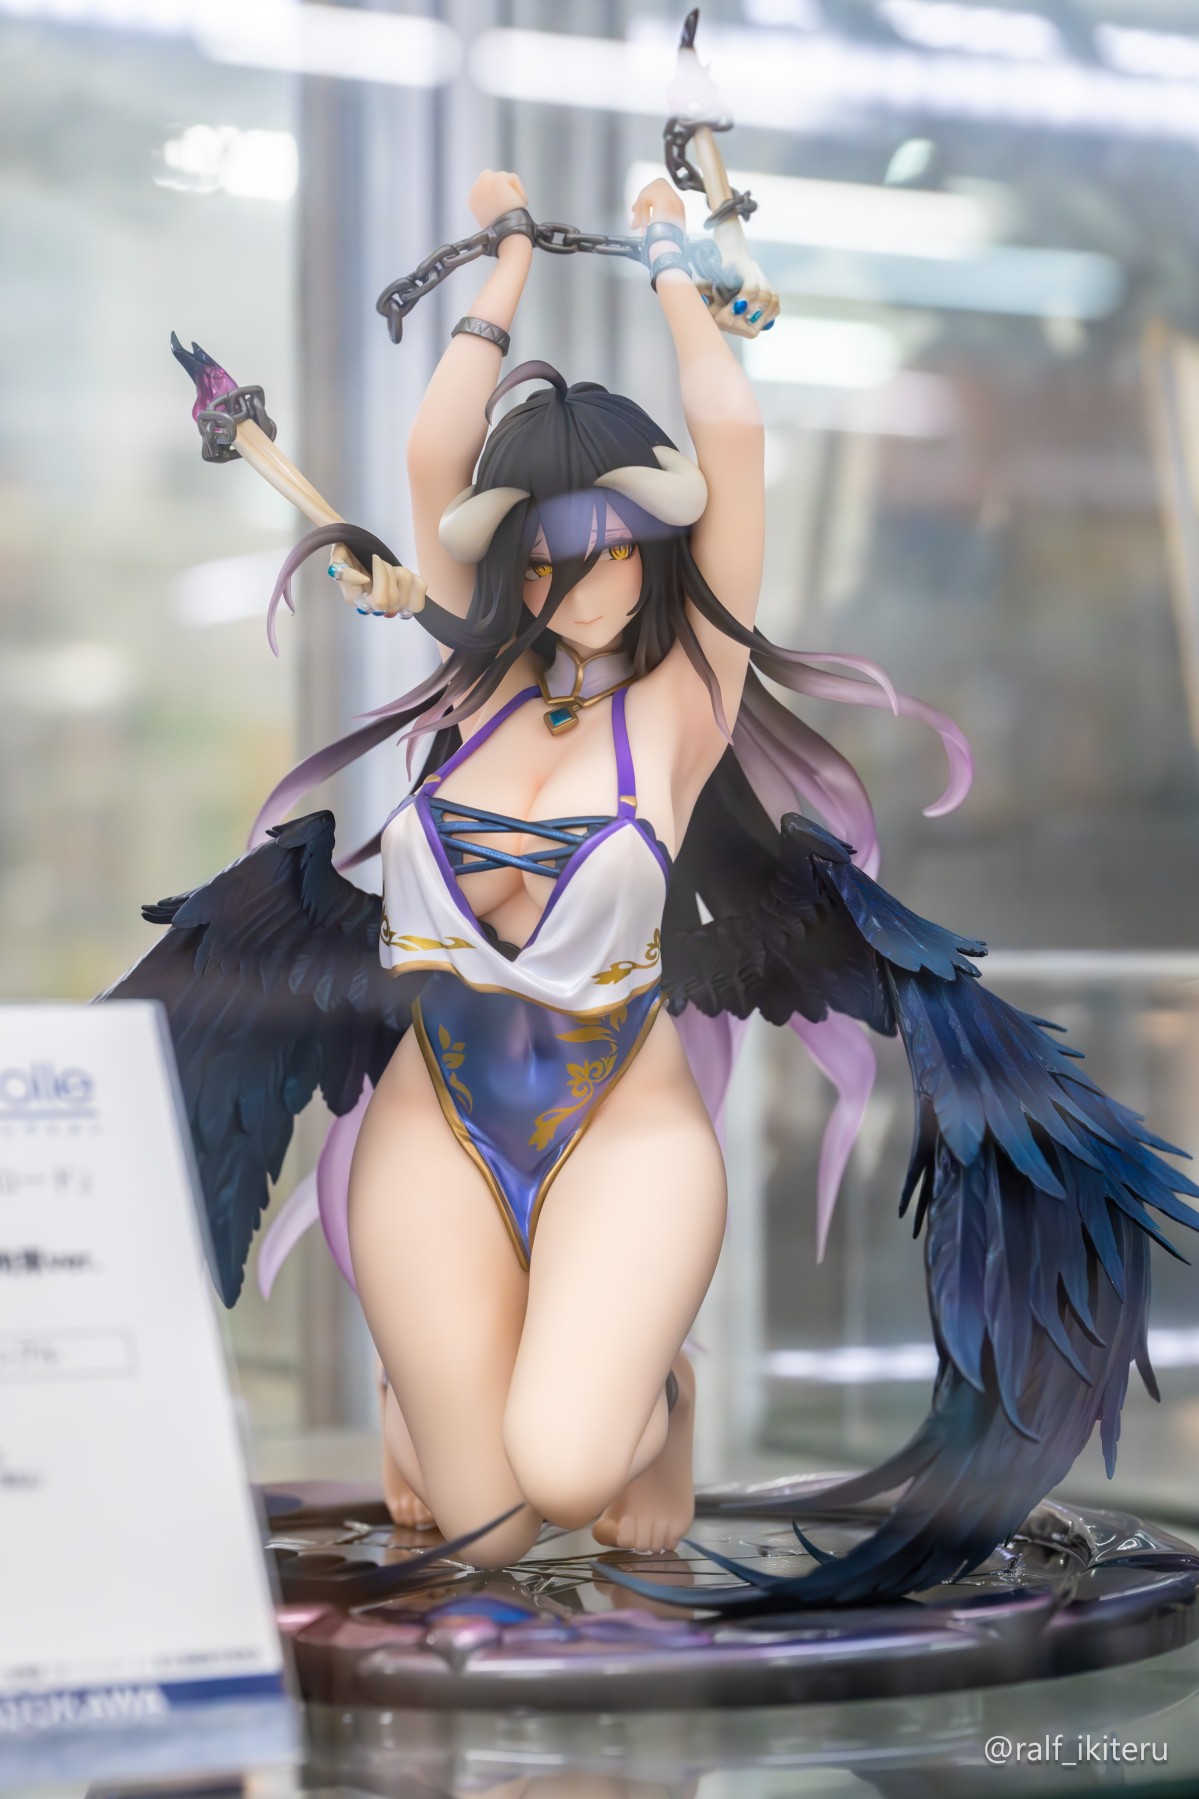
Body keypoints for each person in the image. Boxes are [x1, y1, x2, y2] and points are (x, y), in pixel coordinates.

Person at [109, 169, 1199, 1603]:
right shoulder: (479, 690)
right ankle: (426, 1386)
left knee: (569, 1475)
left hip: (622, 1122)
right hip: (433, 1126)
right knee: (491, 1535)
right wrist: (503, 263)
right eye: (549, 560)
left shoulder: (685, 700)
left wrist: (671, 261)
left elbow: (733, 437)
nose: (585, 584)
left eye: (617, 547)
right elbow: (438, 450)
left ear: (655, 545)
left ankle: (658, 1395)